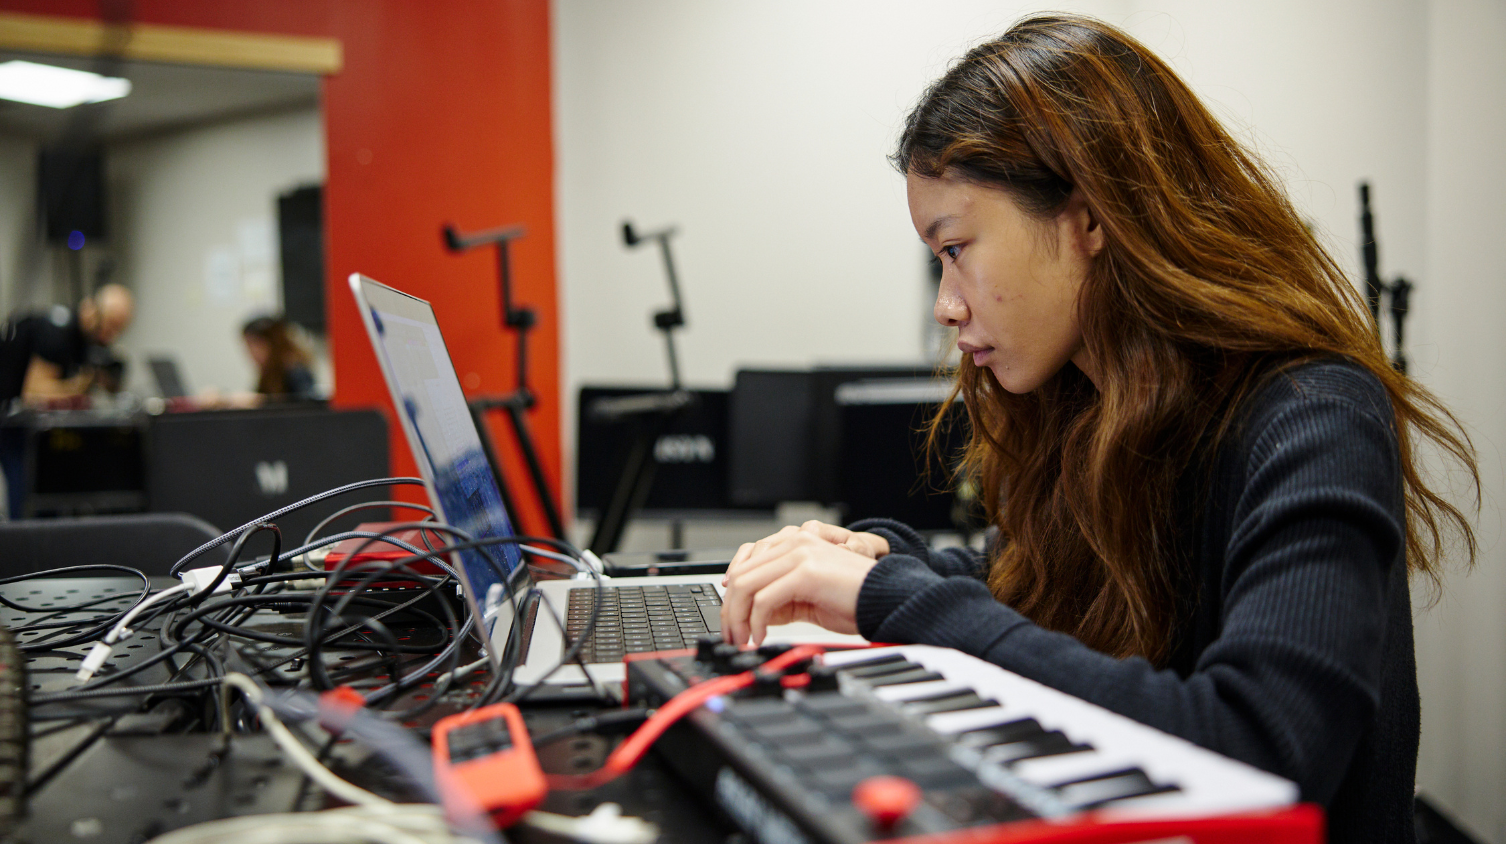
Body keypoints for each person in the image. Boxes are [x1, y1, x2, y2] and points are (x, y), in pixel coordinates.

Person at [718, 15, 1477, 844]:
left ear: (1089, 220)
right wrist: (886, 557)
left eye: (957, 247)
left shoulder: (1315, 415)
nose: (946, 304)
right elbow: (1035, 588)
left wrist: (901, 600)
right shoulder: (1094, 407)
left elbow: (1260, 745)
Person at [0, 283, 134, 405]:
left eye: (119, 329)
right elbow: (33, 393)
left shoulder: (86, 341)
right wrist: (78, 387)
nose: (110, 336)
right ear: (90, 308)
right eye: (110, 324)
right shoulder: (56, 333)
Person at [240, 315, 317, 402]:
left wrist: (260, 401)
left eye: (254, 345)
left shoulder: (296, 372)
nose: (250, 352)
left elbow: (304, 405)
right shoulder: (269, 373)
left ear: (273, 343)